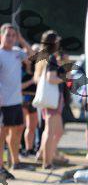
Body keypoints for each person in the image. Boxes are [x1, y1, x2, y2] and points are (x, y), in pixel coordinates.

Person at [0, 23, 34, 179]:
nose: (10, 38)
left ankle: (16, 161)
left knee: (18, 129)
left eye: (13, 36)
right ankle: (1, 166)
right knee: (2, 134)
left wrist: (22, 40)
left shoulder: (17, 52)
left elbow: (33, 57)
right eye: (8, 35)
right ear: (1, 36)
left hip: (15, 100)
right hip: (3, 101)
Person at [34, 31, 66, 169]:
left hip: (49, 98)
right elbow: (50, 78)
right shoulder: (51, 57)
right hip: (52, 99)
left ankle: (43, 154)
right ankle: (47, 162)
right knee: (50, 131)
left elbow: (37, 79)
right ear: (53, 42)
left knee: (57, 132)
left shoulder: (43, 57)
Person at [21, 45, 39, 156]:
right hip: (23, 98)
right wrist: (31, 81)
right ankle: (19, 148)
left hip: (34, 98)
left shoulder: (36, 68)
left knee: (31, 126)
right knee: (20, 126)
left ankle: (29, 149)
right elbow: (18, 86)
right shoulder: (20, 69)